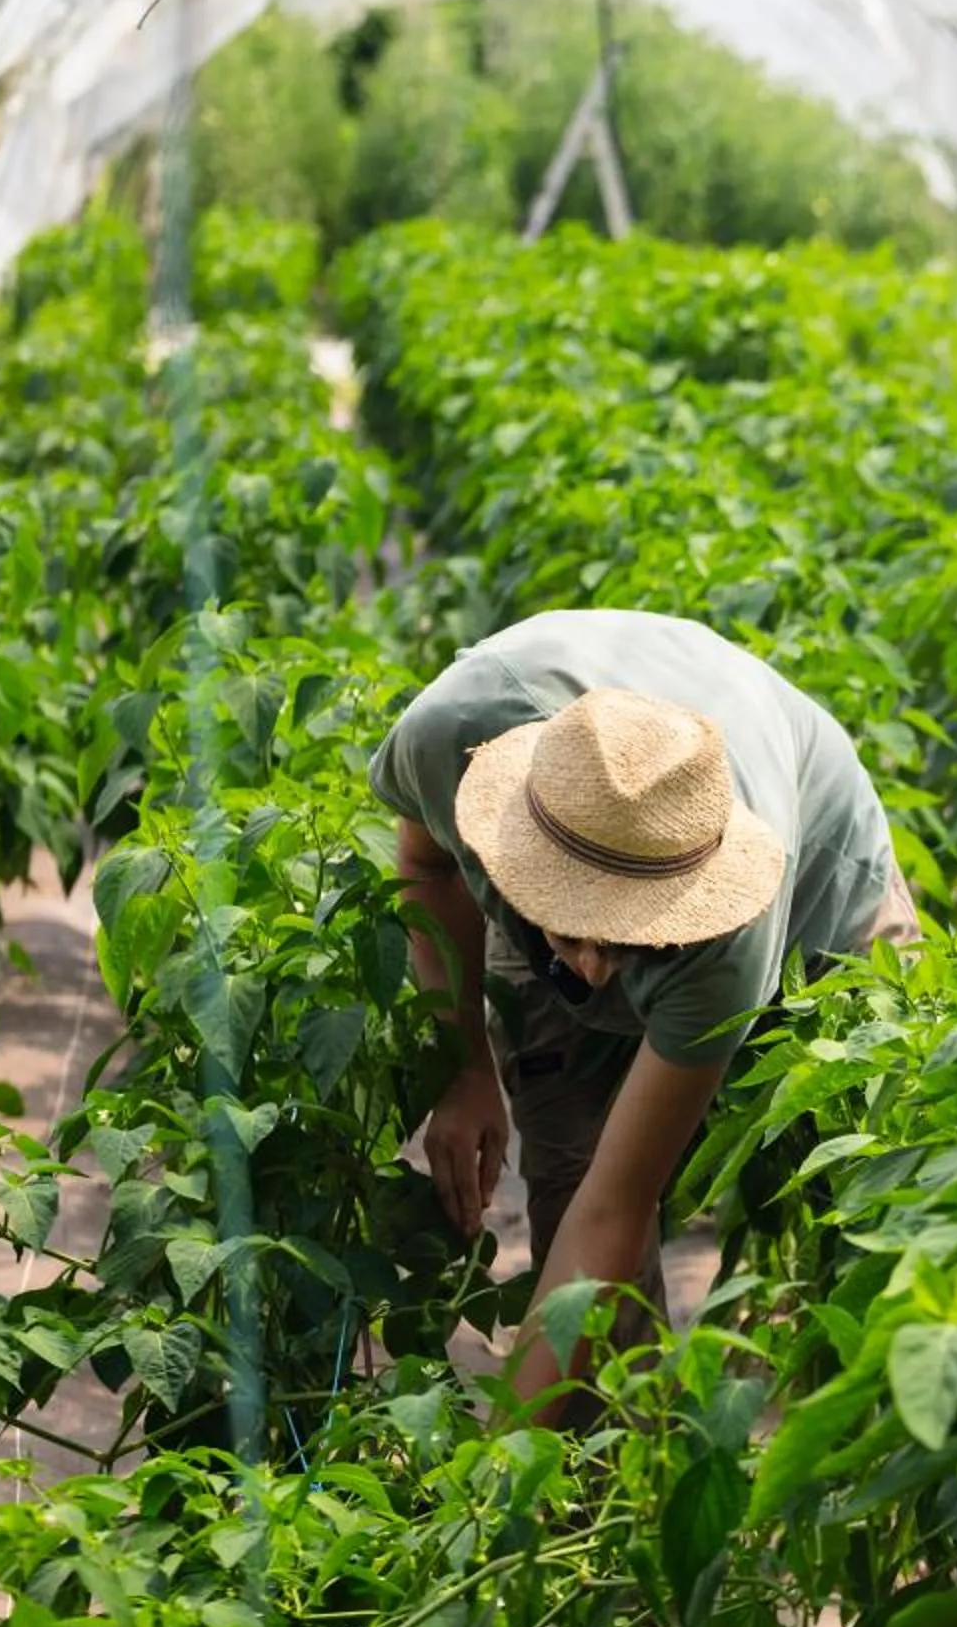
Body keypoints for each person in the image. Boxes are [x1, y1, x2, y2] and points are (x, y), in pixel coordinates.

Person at [369, 608, 919, 1422]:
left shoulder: (732, 936)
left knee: (876, 1201)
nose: (592, 971)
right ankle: (597, 1493)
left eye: (629, 941)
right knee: (569, 1191)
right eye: (578, 926)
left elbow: (616, 1209)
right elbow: (426, 870)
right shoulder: (452, 736)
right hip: (590, 814)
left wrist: (483, 1480)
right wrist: (465, 1069)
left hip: (822, 909)